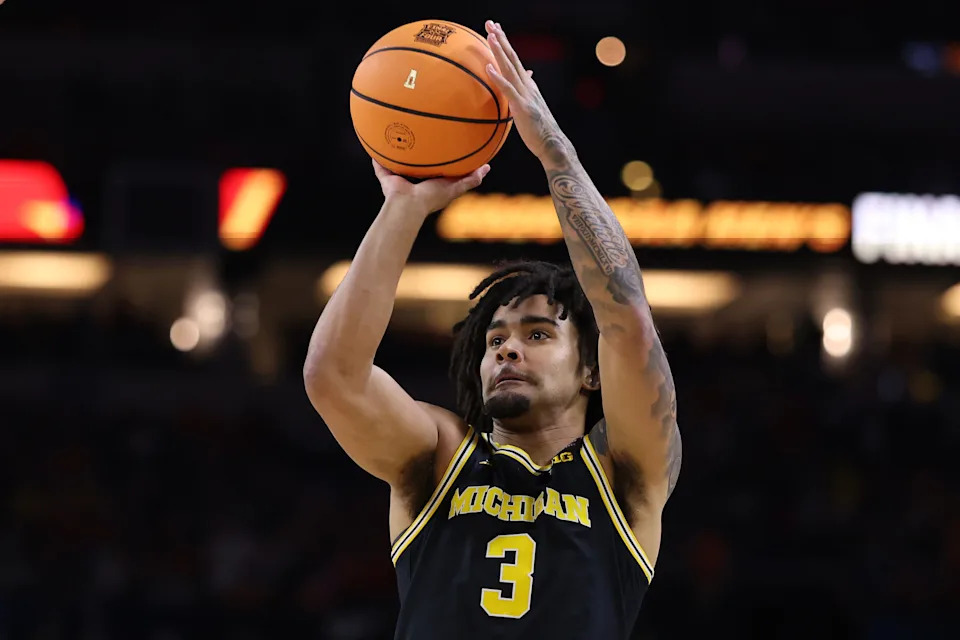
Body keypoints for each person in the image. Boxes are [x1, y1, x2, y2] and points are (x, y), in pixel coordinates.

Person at [303, 19, 682, 639]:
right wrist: (402, 208)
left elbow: (627, 321)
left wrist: (555, 152)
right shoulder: (439, 455)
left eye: (537, 334)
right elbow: (333, 377)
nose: (507, 348)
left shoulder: (624, 473)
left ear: (591, 371)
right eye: (495, 339)